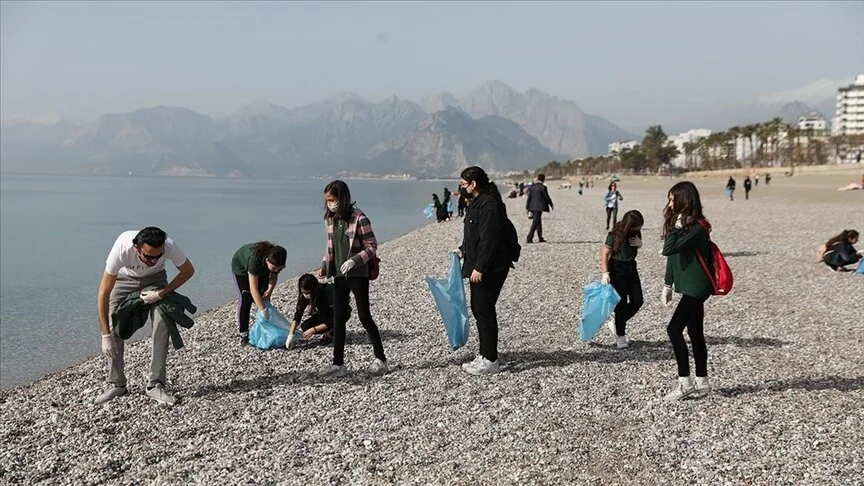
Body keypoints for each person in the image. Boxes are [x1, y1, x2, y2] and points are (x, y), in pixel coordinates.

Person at [95, 226, 195, 406]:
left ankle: (155, 384)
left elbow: (188, 271)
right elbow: (103, 293)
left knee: (163, 320)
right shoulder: (122, 249)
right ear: (137, 248)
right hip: (124, 280)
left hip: (156, 280)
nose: (154, 260)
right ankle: (117, 384)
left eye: (158, 256)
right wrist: (105, 335)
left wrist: (161, 293)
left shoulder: (169, 246)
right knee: (114, 322)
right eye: (148, 256)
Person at [317, 180, 388, 377]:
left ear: (342, 198)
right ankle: (338, 364)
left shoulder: (359, 218)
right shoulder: (330, 220)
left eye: (332, 200)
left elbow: (372, 246)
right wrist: (324, 265)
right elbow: (330, 246)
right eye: (328, 201)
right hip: (339, 275)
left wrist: (354, 261)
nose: (330, 204)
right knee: (338, 319)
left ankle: (380, 359)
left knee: (365, 317)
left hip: (357, 274)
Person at [455, 166, 514, 375]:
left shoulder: (489, 206)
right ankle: (484, 353)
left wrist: (480, 267)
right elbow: (474, 234)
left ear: (474, 184)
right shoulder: (477, 203)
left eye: (463, 184)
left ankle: (490, 360)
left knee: (484, 309)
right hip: (478, 263)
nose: (461, 188)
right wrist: (463, 250)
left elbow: (490, 240)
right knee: (478, 308)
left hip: (491, 267)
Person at [660, 182, 714, 402]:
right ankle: (702, 383)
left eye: (673, 199)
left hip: (697, 287)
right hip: (689, 286)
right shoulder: (684, 225)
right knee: (695, 333)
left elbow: (668, 249)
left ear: (684, 199)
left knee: (673, 330)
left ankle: (685, 383)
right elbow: (673, 257)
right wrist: (667, 284)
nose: (670, 203)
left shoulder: (698, 227)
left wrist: (675, 228)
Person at [600, 210, 644, 349]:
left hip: (631, 267)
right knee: (621, 304)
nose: (639, 229)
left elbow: (633, 249)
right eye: (637, 227)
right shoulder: (615, 234)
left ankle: (618, 323)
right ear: (629, 226)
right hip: (617, 269)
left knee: (638, 301)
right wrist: (605, 273)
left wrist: (640, 244)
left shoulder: (636, 233)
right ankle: (620, 336)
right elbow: (605, 253)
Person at [231, 241, 287, 345]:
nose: (276, 270)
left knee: (263, 297)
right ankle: (243, 333)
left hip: (262, 269)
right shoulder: (255, 260)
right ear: (267, 260)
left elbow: (273, 277)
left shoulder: (277, 260)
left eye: (279, 268)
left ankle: (266, 329)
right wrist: (263, 310)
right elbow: (253, 289)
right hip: (241, 268)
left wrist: (269, 291)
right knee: (246, 299)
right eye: (274, 268)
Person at [290, 274, 337, 345]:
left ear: (314, 289)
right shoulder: (304, 296)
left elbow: (332, 319)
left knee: (327, 317)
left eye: (308, 293)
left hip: (338, 314)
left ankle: (330, 333)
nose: (306, 295)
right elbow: (298, 315)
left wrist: (313, 330)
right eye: (303, 293)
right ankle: (328, 330)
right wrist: (290, 335)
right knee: (305, 326)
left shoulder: (324, 293)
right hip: (323, 314)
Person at [526, 173, 553, 243]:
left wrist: (527, 207)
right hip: (539, 207)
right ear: (544, 179)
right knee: (535, 222)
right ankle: (529, 237)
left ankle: (540, 237)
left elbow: (529, 197)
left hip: (532, 206)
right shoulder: (543, 187)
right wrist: (551, 204)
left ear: (538, 178)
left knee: (538, 222)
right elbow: (546, 197)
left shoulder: (532, 187)